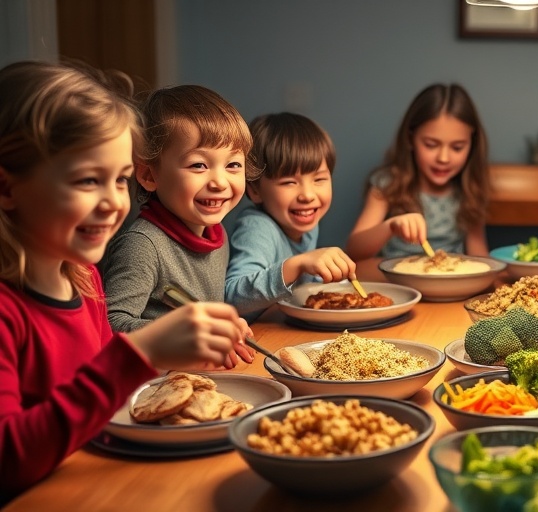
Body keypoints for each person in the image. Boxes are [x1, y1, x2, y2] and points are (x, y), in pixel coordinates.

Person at [0, 61, 248, 501]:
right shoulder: (8, 313)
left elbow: (107, 404)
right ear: (6, 189)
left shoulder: (86, 281)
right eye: (88, 180)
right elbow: (9, 460)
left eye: (119, 180)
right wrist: (144, 350)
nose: (115, 202)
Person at [101, 84, 257, 353]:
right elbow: (109, 326)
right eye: (198, 165)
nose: (220, 181)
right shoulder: (143, 245)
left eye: (233, 164)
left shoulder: (215, 234)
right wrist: (182, 332)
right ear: (149, 176)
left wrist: (223, 327)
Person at [225, 112, 356, 321]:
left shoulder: (306, 223)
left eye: (319, 179)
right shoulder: (257, 227)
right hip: (257, 339)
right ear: (255, 190)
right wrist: (296, 265)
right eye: (289, 182)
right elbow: (233, 298)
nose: (307, 195)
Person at [346, 83, 490, 260]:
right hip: (397, 281)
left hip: (451, 282)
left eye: (457, 147)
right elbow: (354, 250)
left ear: (472, 145)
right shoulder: (388, 184)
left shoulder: (469, 189)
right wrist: (390, 227)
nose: (443, 158)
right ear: (410, 138)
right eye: (431, 145)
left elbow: (479, 254)